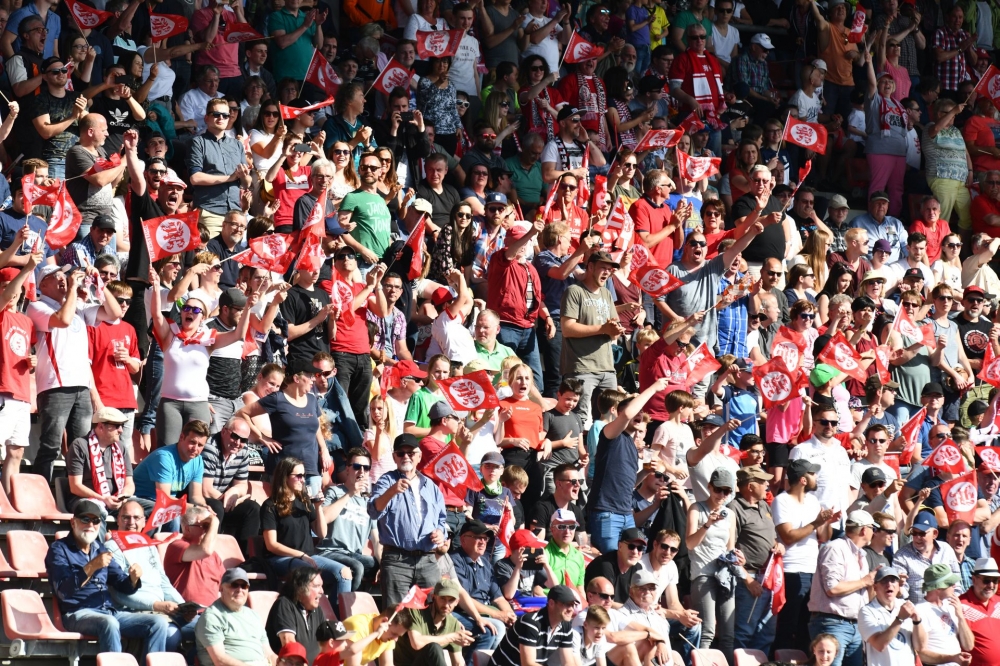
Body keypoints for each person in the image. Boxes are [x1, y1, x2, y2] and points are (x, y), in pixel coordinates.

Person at [29, 263, 123, 482]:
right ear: (43, 284)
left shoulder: (79, 307)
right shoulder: (37, 306)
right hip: (55, 386)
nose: (63, 279)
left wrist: (99, 282)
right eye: (56, 276)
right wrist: (73, 288)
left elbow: (115, 312)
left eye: (64, 275)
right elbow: (62, 320)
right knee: (51, 445)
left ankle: (76, 494)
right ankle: (42, 492)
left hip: (82, 386)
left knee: (80, 446)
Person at [45, 500, 170, 662]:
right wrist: (91, 566)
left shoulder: (99, 548)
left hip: (109, 611)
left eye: (95, 520)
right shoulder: (59, 549)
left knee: (158, 623)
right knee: (109, 622)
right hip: (77, 613)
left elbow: (121, 584)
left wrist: (133, 579)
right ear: (73, 522)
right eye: (85, 519)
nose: (90, 525)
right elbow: (63, 591)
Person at [588, 378, 671, 552]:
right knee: (610, 559)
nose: (639, 414)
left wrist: (645, 472)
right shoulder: (611, 434)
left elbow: (630, 484)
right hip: (607, 512)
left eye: (642, 412)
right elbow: (627, 414)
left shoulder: (632, 446)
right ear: (619, 413)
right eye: (636, 410)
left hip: (626, 514)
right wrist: (653, 388)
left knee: (629, 561)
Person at [368, 433, 447, 607]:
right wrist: (391, 491)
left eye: (410, 453)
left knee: (433, 611)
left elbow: (442, 520)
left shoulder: (431, 486)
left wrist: (441, 533)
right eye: (400, 453)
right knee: (396, 615)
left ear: (419, 456)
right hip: (397, 560)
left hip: (428, 560)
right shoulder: (386, 481)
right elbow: (373, 511)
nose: (406, 456)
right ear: (394, 457)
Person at [236, 357, 332, 496]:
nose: (313, 380)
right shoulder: (277, 399)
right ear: (296, 378)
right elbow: (242, 413)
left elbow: (316, 427)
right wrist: (262, 437)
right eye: (309, 375)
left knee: (311, 508)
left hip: (311, 468)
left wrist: (324, 450)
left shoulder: (312, 400)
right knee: (282, 507)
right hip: (283, 469)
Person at [106, 499, 192, 650]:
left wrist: (183, 607)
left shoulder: (149, 545)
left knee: (206, 626)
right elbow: (118, 594)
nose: (131, 522)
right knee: (171, 634)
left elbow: (164, 582)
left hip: (161, 610)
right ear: (118, 520)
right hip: (133, 611)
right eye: (126, 517)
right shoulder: (111, 547)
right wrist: (157, 605)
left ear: (144, 521)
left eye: (136, 518)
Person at [808, 510, 879, 666]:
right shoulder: (835, 548)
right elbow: (832, 588)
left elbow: (864, 592)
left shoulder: (861, 555)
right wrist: (864, 581)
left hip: (855, 625)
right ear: (864, 530)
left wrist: (876, 583)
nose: (874, 533)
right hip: (832, 623)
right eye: (873, 528)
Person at [188, 97, 253, 237]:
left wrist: (244, 176)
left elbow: (246, 183)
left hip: (235, 212)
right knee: (210, 251)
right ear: (206, 118)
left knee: (232, 251)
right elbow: (195, 178)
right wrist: (230, 178)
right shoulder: (198, 142)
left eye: (225, 115)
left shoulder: (237, 145)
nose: (221, 118)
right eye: (216, 114)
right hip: (210, 211)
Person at [732, 465, 779, 654]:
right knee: (744, 632)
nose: (767, 485)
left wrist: (777, 545)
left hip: (769, 578)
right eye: (762, 482)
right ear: (750, 486)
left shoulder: (764, 506)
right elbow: (729, 550)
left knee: (766, 633)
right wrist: (748, 580)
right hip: (749, 579)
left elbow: (770, 537)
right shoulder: (734, 508)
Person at [317, 447, 379, 589]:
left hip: (354, 555)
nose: (361, 472)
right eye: (357, 466)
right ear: (347, 469)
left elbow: (376, 540)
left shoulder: (369, 502)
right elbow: (324, 518)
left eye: (366, 468)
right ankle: (345, 602)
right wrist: (350, 493)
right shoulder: (335, 491)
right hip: (330, 552)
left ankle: (359, 599)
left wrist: (383, 565)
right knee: (357, 567)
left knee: (380, 566)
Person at [451, 519, 517, 652]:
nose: (482, 542)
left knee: (515, 627)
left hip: (485, 613)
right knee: (496, 628)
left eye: (485, 538)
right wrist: (497, 615)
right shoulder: (454, 560)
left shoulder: (486, 564)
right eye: (477, 537)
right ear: (463, 539)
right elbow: (464, 599)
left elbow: (498, 598)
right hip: (463, 612)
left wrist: (510, 615)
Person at [195, 567, 277, 666]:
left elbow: (269, 654)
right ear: (221, 588)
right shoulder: (212, 617)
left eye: (244, 586)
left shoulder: (254, 615)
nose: (239, 590)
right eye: (234, 585)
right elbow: (220, 660)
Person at [200, 416, 260, 550]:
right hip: (199, 499)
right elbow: (206, 490)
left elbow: (242, 485)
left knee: (252, 508)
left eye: (243, 440)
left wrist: (234, 492)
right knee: (216, 507)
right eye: (235, 436)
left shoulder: (243, 451)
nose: (238, 443)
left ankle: (246, 557)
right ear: (223, 431)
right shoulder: (210, 448)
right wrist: (230, 500)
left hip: (222, 499)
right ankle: (210, 553)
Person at [132, 420, 209, 524]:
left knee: (208, 515)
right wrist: (195, 508)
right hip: (140, 499)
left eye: (200, 445)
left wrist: (203, 507)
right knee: (172, 515)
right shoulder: (164, 457)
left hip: (165, 502)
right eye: (192, 442)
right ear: (181, 437)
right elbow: (164, 499)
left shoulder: (198, 460)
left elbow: (196, 496)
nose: (195, 448)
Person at [65, 407, 134, 517]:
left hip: (116, 500)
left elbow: (129, 483)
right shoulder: (80, 445)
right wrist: (103, 499)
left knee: (150, 508)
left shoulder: (121, 447)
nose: (121, 430)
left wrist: (122, 497)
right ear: (101, 426)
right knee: (95, 511)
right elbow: (75, 486)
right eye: (117, 426)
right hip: (86, 499)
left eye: (122, 426)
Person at [488, 585, 578, 666]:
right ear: (551, 603)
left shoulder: (566, 626)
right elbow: (528, 664)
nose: (571, 609)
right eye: (567, 604)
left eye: (573, 605)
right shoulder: (530, 623)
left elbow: (568, 663)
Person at [393, 577, 476, 664]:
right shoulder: (416, 611)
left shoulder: (453, 623)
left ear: (457, 602)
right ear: (434, 597)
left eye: (451, 600)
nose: (446, 605)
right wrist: (452, 637)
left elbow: (458, 662)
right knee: (434, 647)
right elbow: (416, 643)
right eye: (442, 598)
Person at [163, 505, 226, 610]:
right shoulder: (176, 546)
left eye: (209, 526)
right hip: (186, 613)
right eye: (205, 525)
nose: (208, 530)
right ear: (187, 529)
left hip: (212, 613)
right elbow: (205, 550)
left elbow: (225, 585)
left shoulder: (214, 556)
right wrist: (215, 522)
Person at [913, 563, 975, 666]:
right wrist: (952, 658)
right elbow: (922, 653)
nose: (954, 586)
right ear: (939, 588)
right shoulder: (920, 610)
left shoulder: (950, 605)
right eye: (950, 583)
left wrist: (960, 616)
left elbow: (969, 646)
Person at [894, 513, 961, 604]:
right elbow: (901, 594)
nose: (917, 537)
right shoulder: (902, 556)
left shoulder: (946, 549)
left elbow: (957, 582)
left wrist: (952, 605)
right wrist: (899, 588)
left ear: (935, 534)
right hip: (917, 610)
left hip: (947, 608)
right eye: (914, 533)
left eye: (922, 533)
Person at [858, 566, 918, 666]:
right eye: (884, 581)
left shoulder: (907, 606)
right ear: (875, 587)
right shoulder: (866, 611)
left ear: (898, 586)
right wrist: (900, 619)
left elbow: (920, 647)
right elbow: (879, 645)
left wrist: (917, 621)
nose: (889, 584)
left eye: (893, 581)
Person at [265, 567, 326, 663]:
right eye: (316, 586)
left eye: (321, 586)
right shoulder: (284, 604)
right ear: (300, 588)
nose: (322, 591)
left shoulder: (317, 610)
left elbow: (327, 643)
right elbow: (288, 643)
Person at [585, 528, 647, 605]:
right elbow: (606, 602)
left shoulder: (638, 569)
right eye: (631, 546)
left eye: (640, 548)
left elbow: (639, 599)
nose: (635, 552)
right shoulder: (605, 565)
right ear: (620, 546)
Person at [959, 557, 1000, 666]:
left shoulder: (999, 602)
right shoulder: (961, 605)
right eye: (986, 580)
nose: (991, 585)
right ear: (974, 580)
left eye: (995, 581)